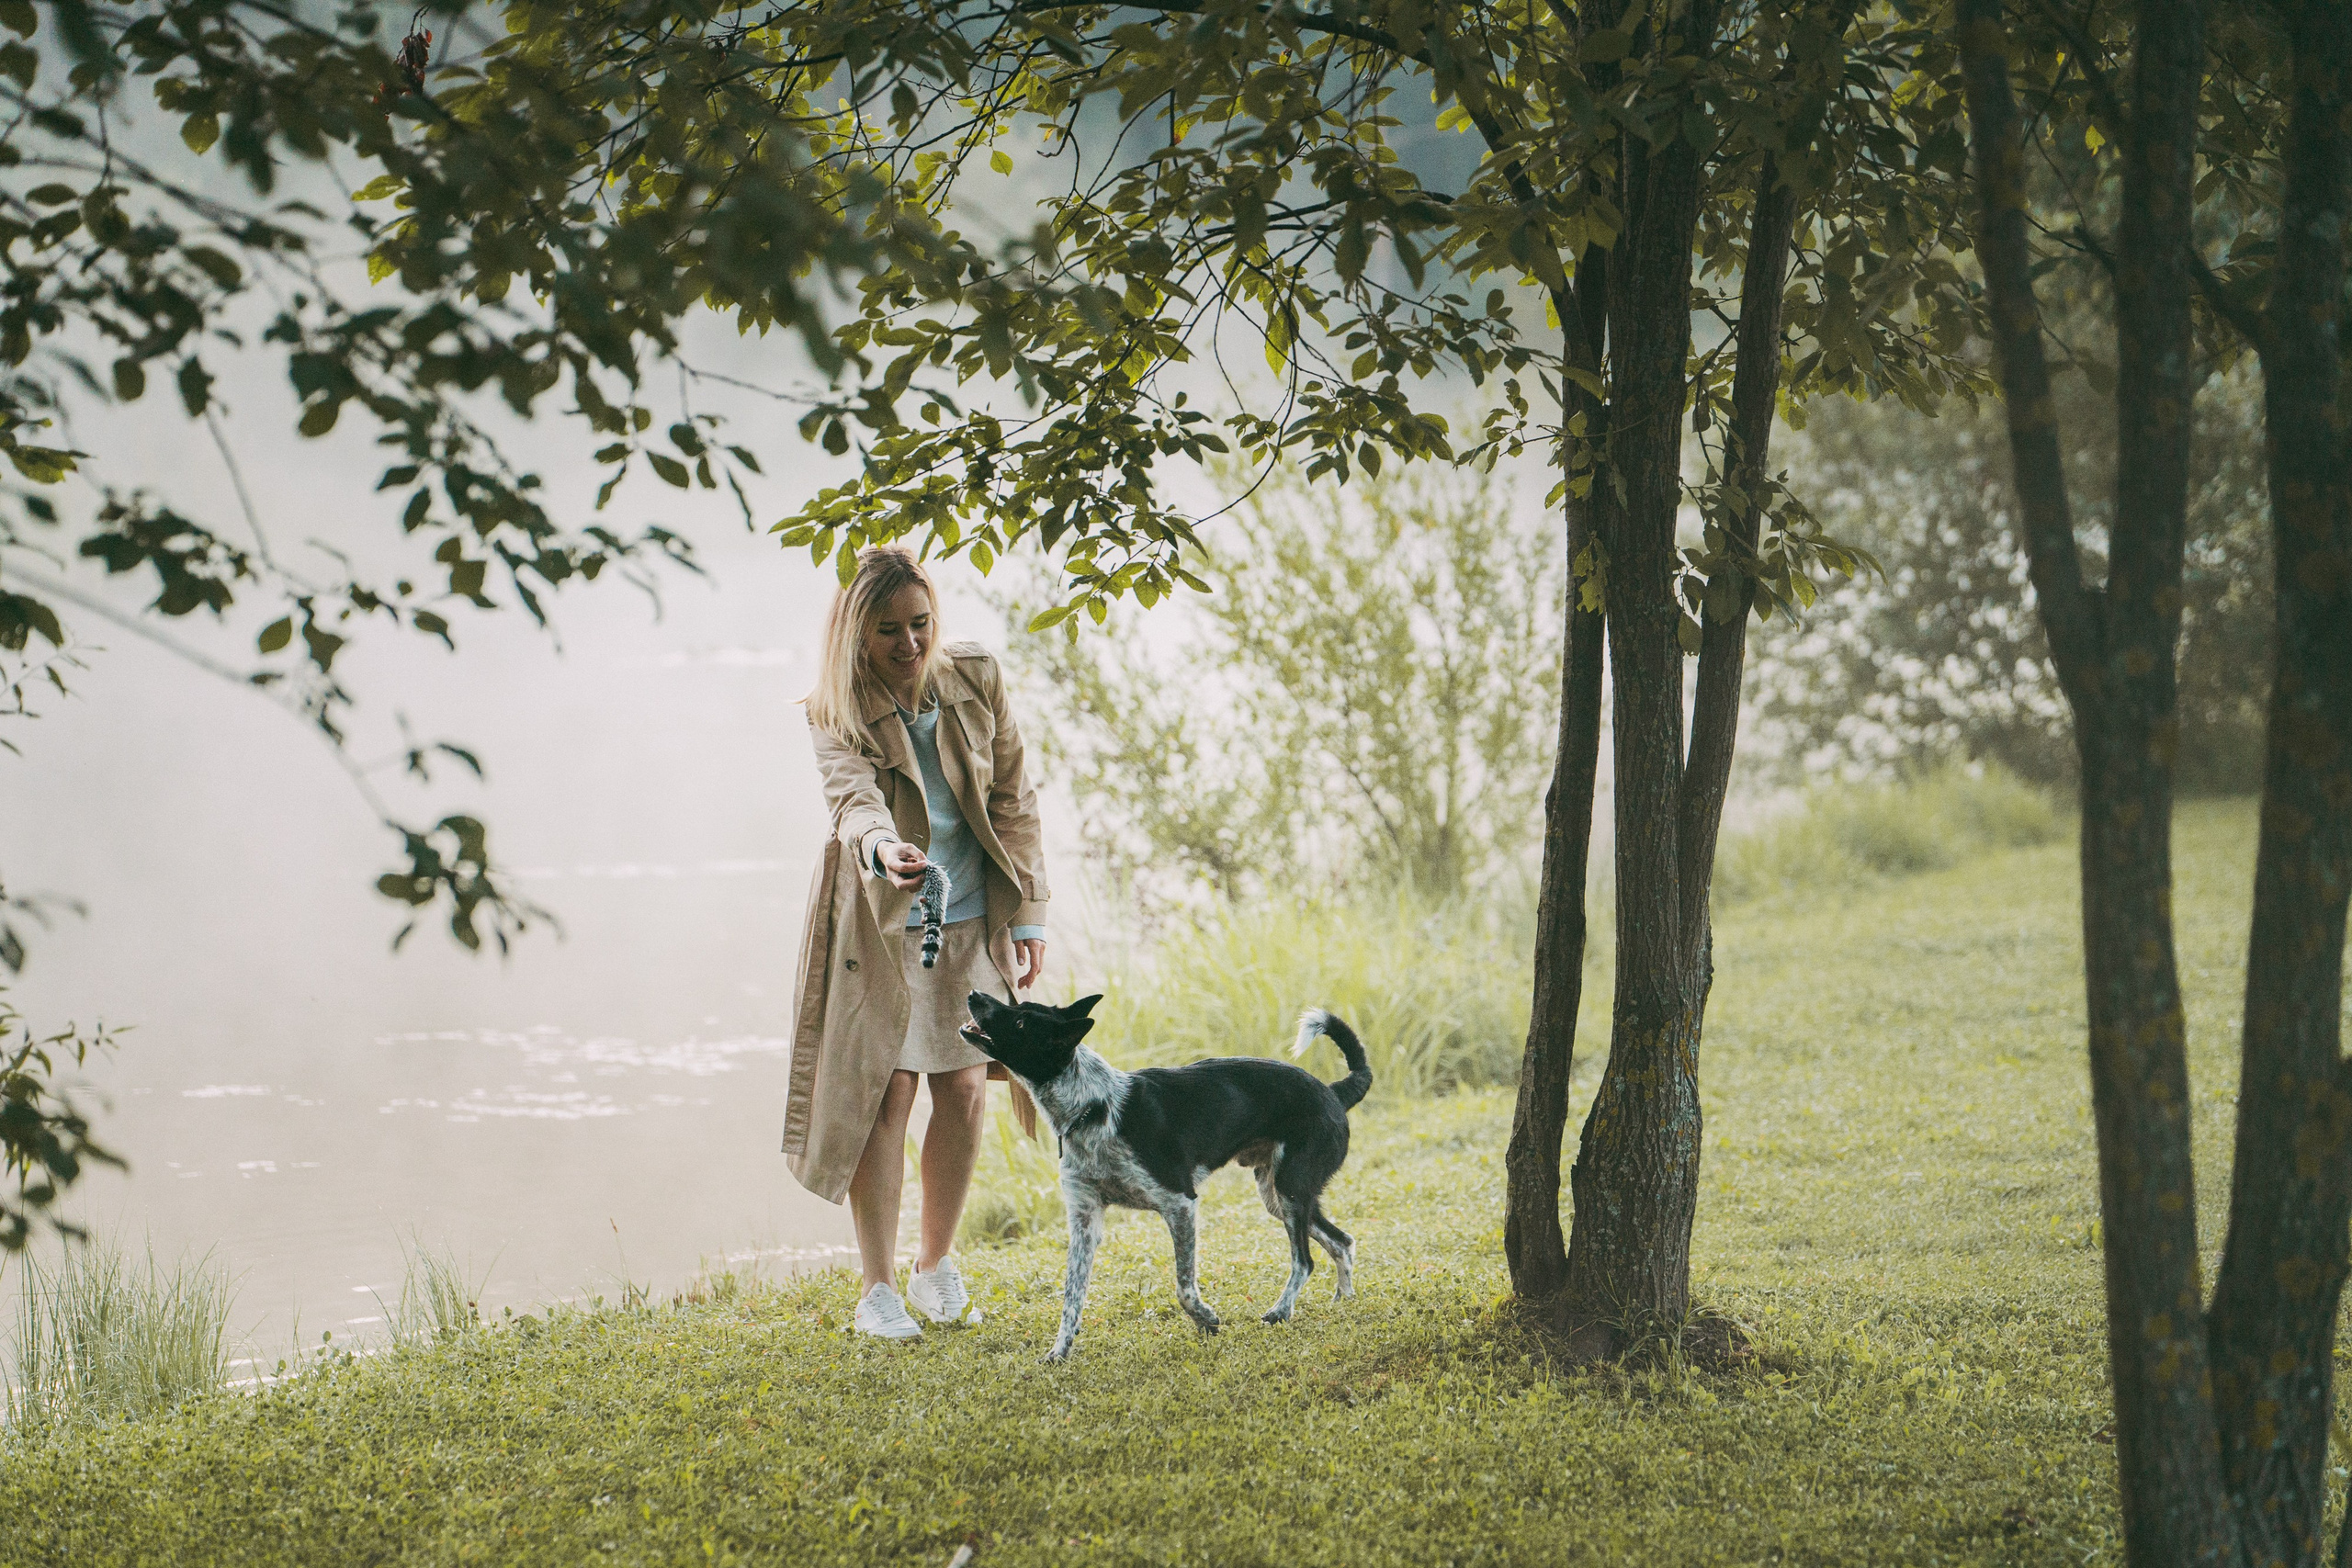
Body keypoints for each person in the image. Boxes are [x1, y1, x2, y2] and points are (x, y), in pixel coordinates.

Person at [782, 545, 1049, 1341]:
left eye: (921, 623)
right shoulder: (833, 710)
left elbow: (1014, 796)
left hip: (970, 919)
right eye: (889, 630)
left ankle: (936, 1269)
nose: (910, 643)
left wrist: (1029, 914)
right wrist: (882, 849)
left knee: (964, 1088)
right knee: (888, 1091)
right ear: (857, 634)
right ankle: (878, 1288)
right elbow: (852, 802)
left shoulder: (975, 676)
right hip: (885, 924)